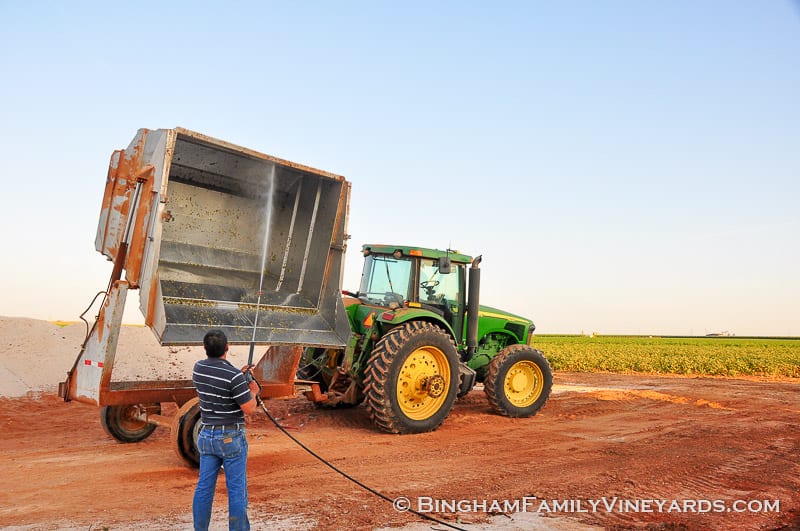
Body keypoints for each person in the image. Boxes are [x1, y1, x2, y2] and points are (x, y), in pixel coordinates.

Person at [192, 329, 259, 531]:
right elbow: (248, 409)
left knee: (204, 487)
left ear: (205, 349)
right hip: (231, 438)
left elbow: (219, 379)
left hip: (206, 436)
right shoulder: (233, 377)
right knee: (237, 490)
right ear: (227, 347)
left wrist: (239, 375)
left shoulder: (198, 368)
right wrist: (253, 391)